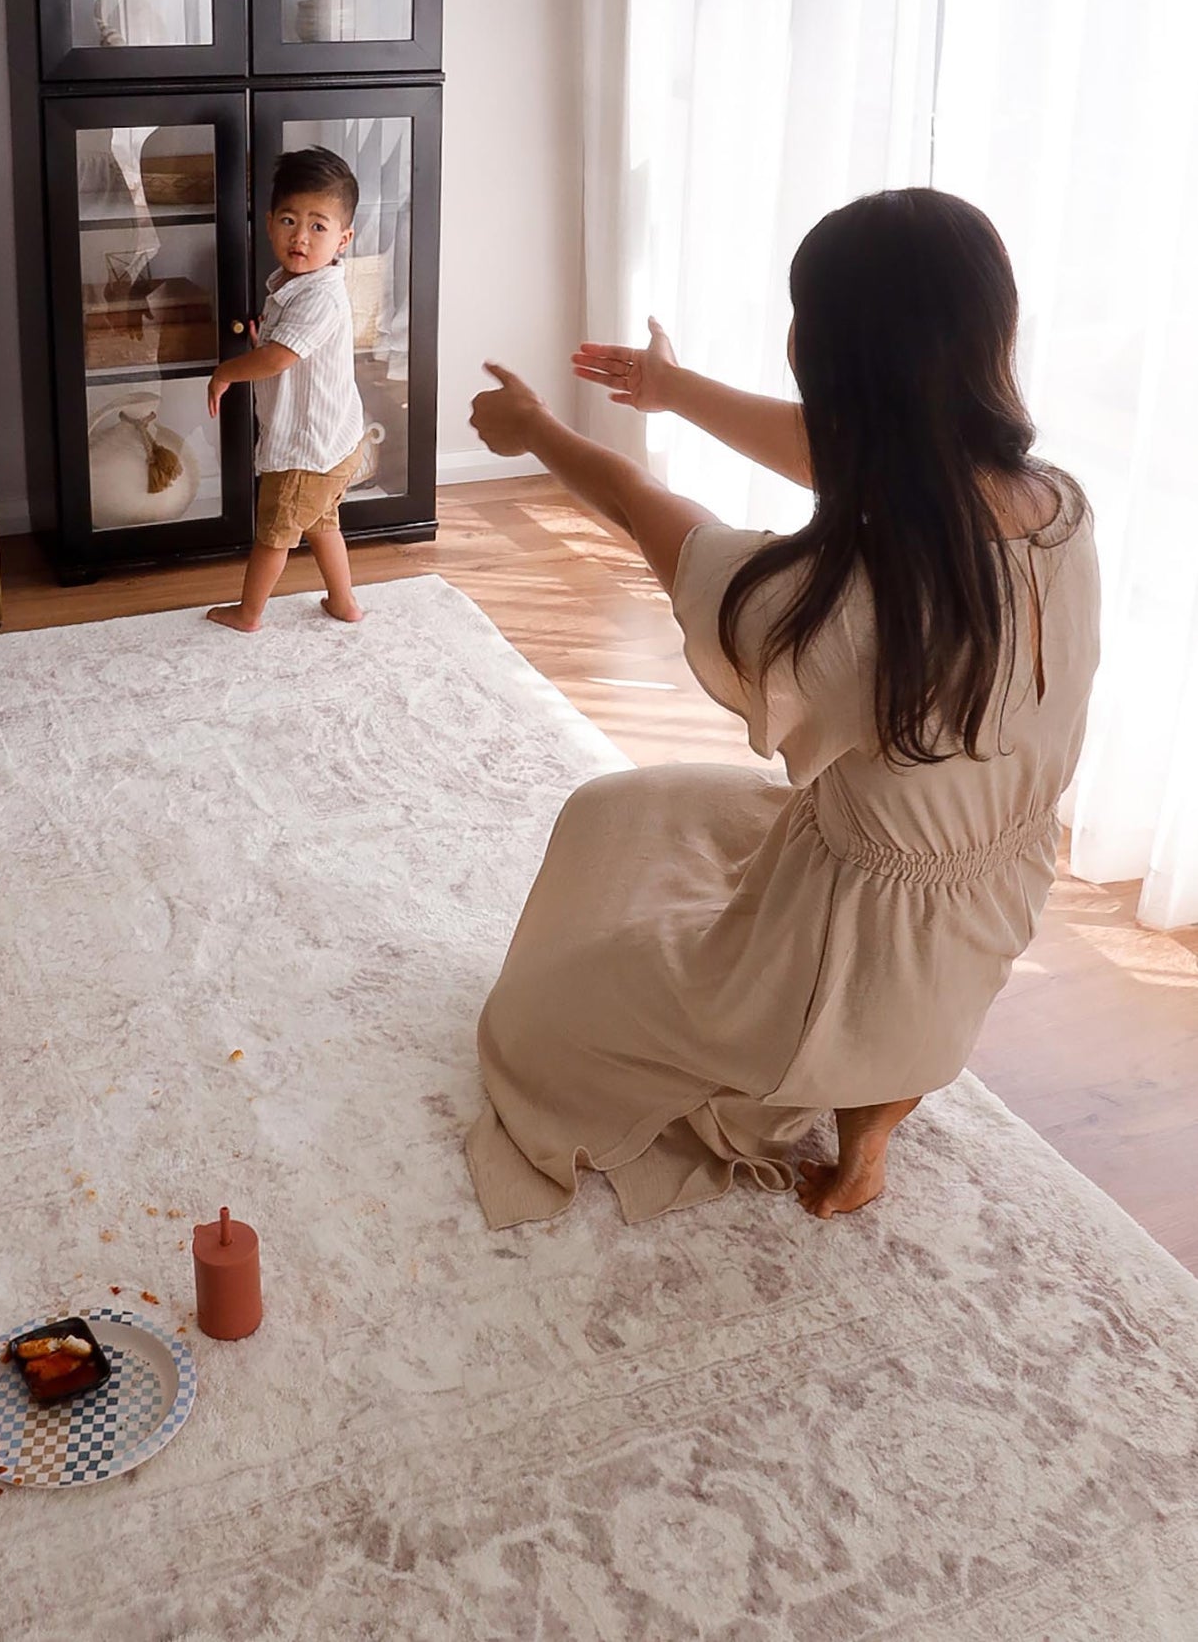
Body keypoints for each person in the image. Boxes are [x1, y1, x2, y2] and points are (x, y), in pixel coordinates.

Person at [463, 188, 1100, 1228]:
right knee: (624, 810)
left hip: (839, 958)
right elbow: (858, 452)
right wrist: (670, 388)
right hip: (982, 913)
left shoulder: (842, 607)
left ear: (826, 355)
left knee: (529, 1027)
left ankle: (837, 1068)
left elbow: (643, 510)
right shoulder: (1057, 508)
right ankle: (876, 1111)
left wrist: (537, 428)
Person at [206, 146, 367, 633]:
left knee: (274, 534)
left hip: (305, 449)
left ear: (343, 239)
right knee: (322, 523)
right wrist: (265, 342)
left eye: (319, 226)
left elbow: (280, 358)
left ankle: (248, 613)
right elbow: (283, 347)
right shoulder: (294, 283)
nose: (301, 236)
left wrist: (228, 371)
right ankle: (343, 602)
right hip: (333, 441)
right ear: (271, 222)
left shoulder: (320, 297)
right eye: (290, 221)